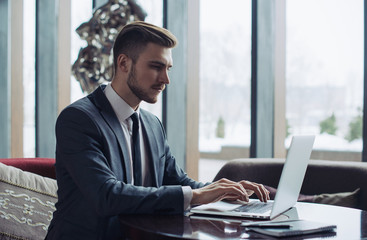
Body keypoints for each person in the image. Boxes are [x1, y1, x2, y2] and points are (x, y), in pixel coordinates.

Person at [45, 21, 269, 240]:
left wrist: (224, 191)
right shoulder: (78, 119)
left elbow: (179, 183)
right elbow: (106, 195)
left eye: (168, 68)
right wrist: (197, 195)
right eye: (156, 67)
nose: (165, 79)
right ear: (123, 63)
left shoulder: (153, 125)